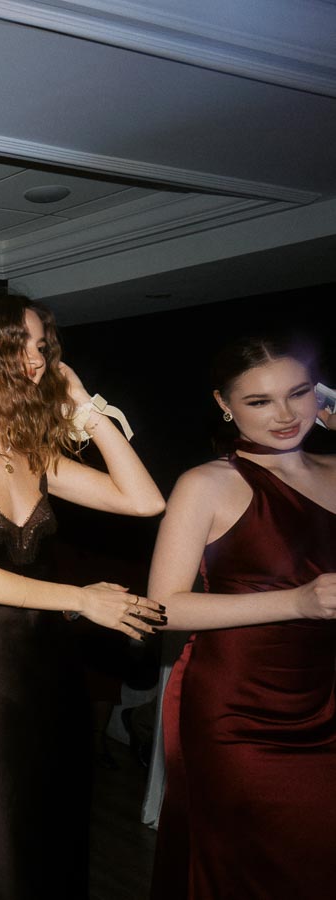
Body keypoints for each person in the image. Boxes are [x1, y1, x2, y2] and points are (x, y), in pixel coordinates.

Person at [0, 291, 165, 900]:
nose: (37, 359)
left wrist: (85, 407)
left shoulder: (36, 453)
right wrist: (81, 599)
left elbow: (145, 500)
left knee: (60, 854)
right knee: (0, 862)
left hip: (57, 680)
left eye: (42, 346)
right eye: (18, 344)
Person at [147, 335, 336, 900]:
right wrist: (296, 602)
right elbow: (163, 608)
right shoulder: (208, 484)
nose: (285, 415)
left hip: (328, 695)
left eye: (299, 393)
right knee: (258, 869)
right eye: (259, 401)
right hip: (241, 713)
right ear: (224, 405)